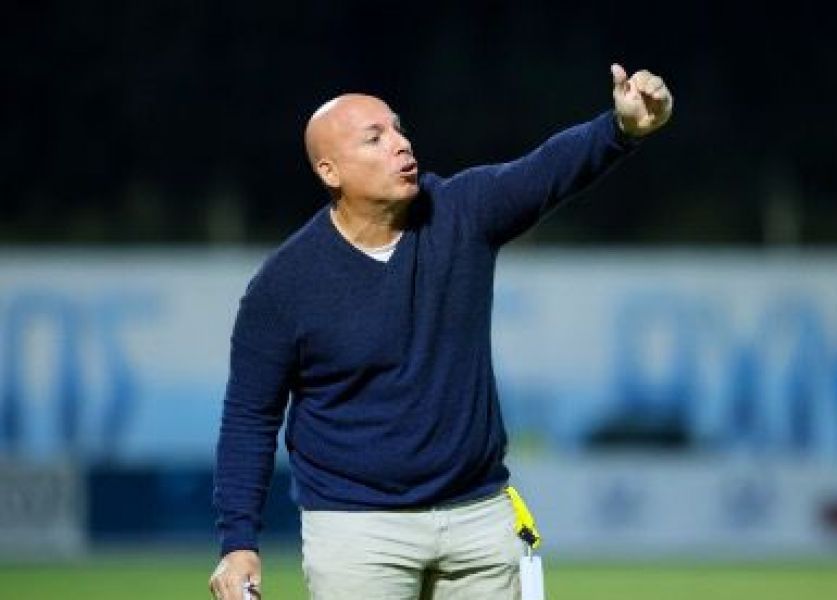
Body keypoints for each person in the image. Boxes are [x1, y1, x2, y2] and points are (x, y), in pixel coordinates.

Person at [209, 62, 673, 600]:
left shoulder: (460, 212)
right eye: (375, 138)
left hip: (479, 519)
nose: (401, 144)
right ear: (330, 172)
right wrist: (238, 541)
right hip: (359, 532)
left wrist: (619, 129)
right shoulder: (283, 286)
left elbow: (545, 171)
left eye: (399, 129)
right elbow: (249, 417)